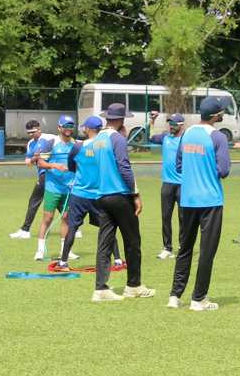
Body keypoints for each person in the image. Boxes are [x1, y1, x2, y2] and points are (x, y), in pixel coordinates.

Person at [169, 96, 232, 311]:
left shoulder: (186, 134)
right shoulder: (218, 137)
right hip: (210, 201)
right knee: (206, 251)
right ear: (217, 115)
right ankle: (199, 299)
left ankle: (175, 296)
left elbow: (179, 166)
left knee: (185, 249)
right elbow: (223, 170)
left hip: (187, 200)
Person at [90, 103, 153, 301]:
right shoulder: (118, 139)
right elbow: (124, 168)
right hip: (120, 195)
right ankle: (133, 285)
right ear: (122, 120)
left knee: (104, 243)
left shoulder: (97, 139)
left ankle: (101, 289)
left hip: (102, 196)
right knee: (132, 241)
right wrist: (136, 195)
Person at [54, 116, 120, 270]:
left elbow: (71, 167)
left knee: (72, 227)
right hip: (100, 194)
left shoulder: (78, 147)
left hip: (80, 194)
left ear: (88, 129)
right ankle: (117, 260)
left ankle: (63, 262)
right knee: (107, 227)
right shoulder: (106, 146)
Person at [33, 115, 80, 262]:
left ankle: (64, 250)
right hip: (52, 187)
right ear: (59, 128)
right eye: (65, 126)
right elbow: (41, 163)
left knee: (66, 218)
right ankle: (40, 250)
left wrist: (76, 180)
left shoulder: (77, 145)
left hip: (69, 189)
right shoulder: (52, 143)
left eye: (71, 126)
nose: (68, 128)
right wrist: (54, 165)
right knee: (48, 218)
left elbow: (80, 165)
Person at [9, 120, 57, 239]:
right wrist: (34, 158)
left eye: (33, 132)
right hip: (43, 174)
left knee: (34, 201)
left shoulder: (49, 138)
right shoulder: (30, 143)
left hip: (49, 172)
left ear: (39, 129)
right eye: (29, 132)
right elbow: (27, 163)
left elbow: (64, 143)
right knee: (59, 202)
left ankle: (25, 230)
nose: (31, 134)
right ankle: (74, 228)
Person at [148, 110, 185, 259]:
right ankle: (167, 248)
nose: (172, 126)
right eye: (170, 123)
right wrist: (152, 121)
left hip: (183, 185)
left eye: (175, 123)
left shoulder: (186, 139)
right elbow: (150, 137)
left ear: (181, 125)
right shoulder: (165, 138)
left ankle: (183, 247)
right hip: (167, 185)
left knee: (183, 218)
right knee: (166, 217)